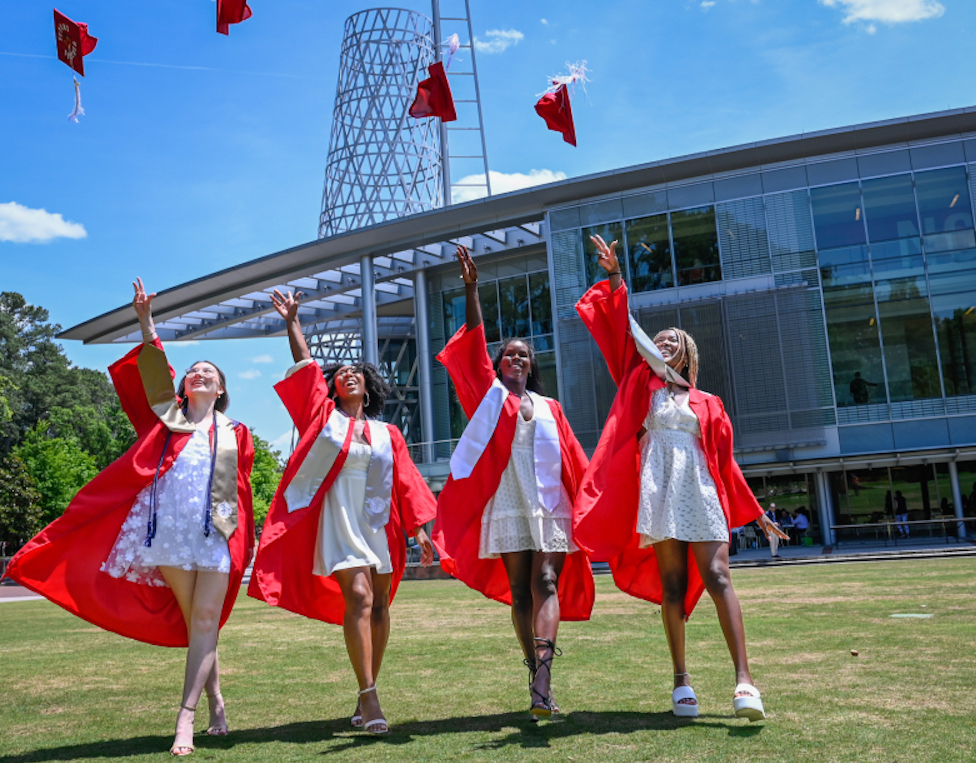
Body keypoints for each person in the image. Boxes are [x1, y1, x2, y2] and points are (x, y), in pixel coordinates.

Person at [8, 278, 257, 757]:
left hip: (217, 534)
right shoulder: (165, 422)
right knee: (196, 624)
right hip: (170, 532)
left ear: (221, 389)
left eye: (209, 372)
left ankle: (184, 720)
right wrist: (146, 321)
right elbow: (153, 372)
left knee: (205, 618)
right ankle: (216, 698)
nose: (199, 374)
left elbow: (241, 491)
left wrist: (241, 539)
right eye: (193, 371)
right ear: (184, 385)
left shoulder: (236, 432)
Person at [572, 234, 781, 722]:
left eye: (671, 343)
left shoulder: (709, 403)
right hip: (659, 489)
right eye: (658, 342)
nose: (662, 345)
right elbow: (623, 330)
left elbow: (724, 462)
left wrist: (756, 514)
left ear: (686, 355)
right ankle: (681, 682)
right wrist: (616, 275)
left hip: (702, 489)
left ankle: (745, 681)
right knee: (672, 584)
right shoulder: (639, 383)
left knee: (718, 575)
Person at [248, 289, 438, 736]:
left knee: (380, 608)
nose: (348, 374)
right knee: (359, 597)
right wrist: (292, 322)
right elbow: (305, 369)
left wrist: (421, 531)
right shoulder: (324, 421)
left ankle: (365, 687)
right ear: (334, 387)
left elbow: (408, 482)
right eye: (343, 373)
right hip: (339, 520)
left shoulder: (388, 432)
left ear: (369, 385)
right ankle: (369, 695)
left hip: (380, 524)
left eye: (357, 372)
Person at [432, 246, 595, 720]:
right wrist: (470, 289)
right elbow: (475, 341)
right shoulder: (489, 400)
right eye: (509, 355)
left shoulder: (551, 408)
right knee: (520, 591)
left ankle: (544, 678)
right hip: (507, 497)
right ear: (499, 364)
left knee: (546, 579)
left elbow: (575, 460)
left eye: (523, 355)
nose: (516, 360)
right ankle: (533, 672)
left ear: (532, 364)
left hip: (549, 500)